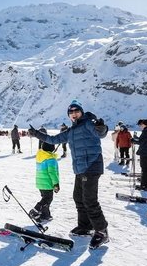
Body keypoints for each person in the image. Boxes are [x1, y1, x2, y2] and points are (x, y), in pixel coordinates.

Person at [28, 100, 109, 249]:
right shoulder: (71, 131)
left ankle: (101, 231)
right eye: (71, 113)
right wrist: (37, 134)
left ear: (81, 112)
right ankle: (85, 226)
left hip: (91, 166)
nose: (74, 114)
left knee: (90, 200)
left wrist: (100, 126)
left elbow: (101, 133)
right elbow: (53, 139)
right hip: (80, 169)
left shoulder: (88, 124)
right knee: (78, 198)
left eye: (76, 111)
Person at [28, 139, 60, 222]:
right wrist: (56, 184)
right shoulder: (51, 159)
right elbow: (52, 173)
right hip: (47, 183)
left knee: (45, 198)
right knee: (47, 199)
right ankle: (35, 210)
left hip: (40, 183)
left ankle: (45, 214)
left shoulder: (41, 156)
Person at [131, 119, 147, 189]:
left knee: (145, 169)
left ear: (145, 124)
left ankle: (145, 185)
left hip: (145, 152)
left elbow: (141, 141)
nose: (141, 125)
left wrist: (133, 140)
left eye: (142, 124)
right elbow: (145, 140)